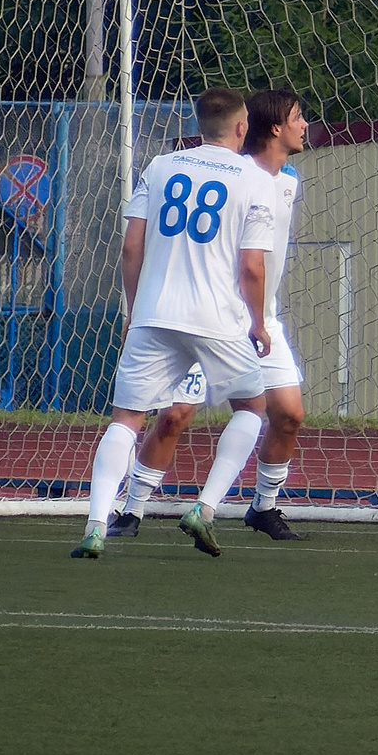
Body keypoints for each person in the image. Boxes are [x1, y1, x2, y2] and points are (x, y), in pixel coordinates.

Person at [70, 87, 282, 560]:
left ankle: (96, 525)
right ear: (241, 128)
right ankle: (203, 509)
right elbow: (251, 266)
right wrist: (258, 322)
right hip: (218, 319)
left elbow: (130, 249)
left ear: (201, 125)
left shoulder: (161, 166)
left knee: (126, 419)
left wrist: (132, 313)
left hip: (154, 315)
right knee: (252, 408)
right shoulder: (254, 179)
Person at [110, 89, 312, 542]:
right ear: (273, 127)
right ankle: (133, 509)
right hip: (211, 316)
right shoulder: (233, 176)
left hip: (260, 320)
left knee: (289, 414)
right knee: (176, 414)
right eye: (299, 117)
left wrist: (260, 318)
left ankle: (264, 507)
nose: (306, 126)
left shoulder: (289, 181)